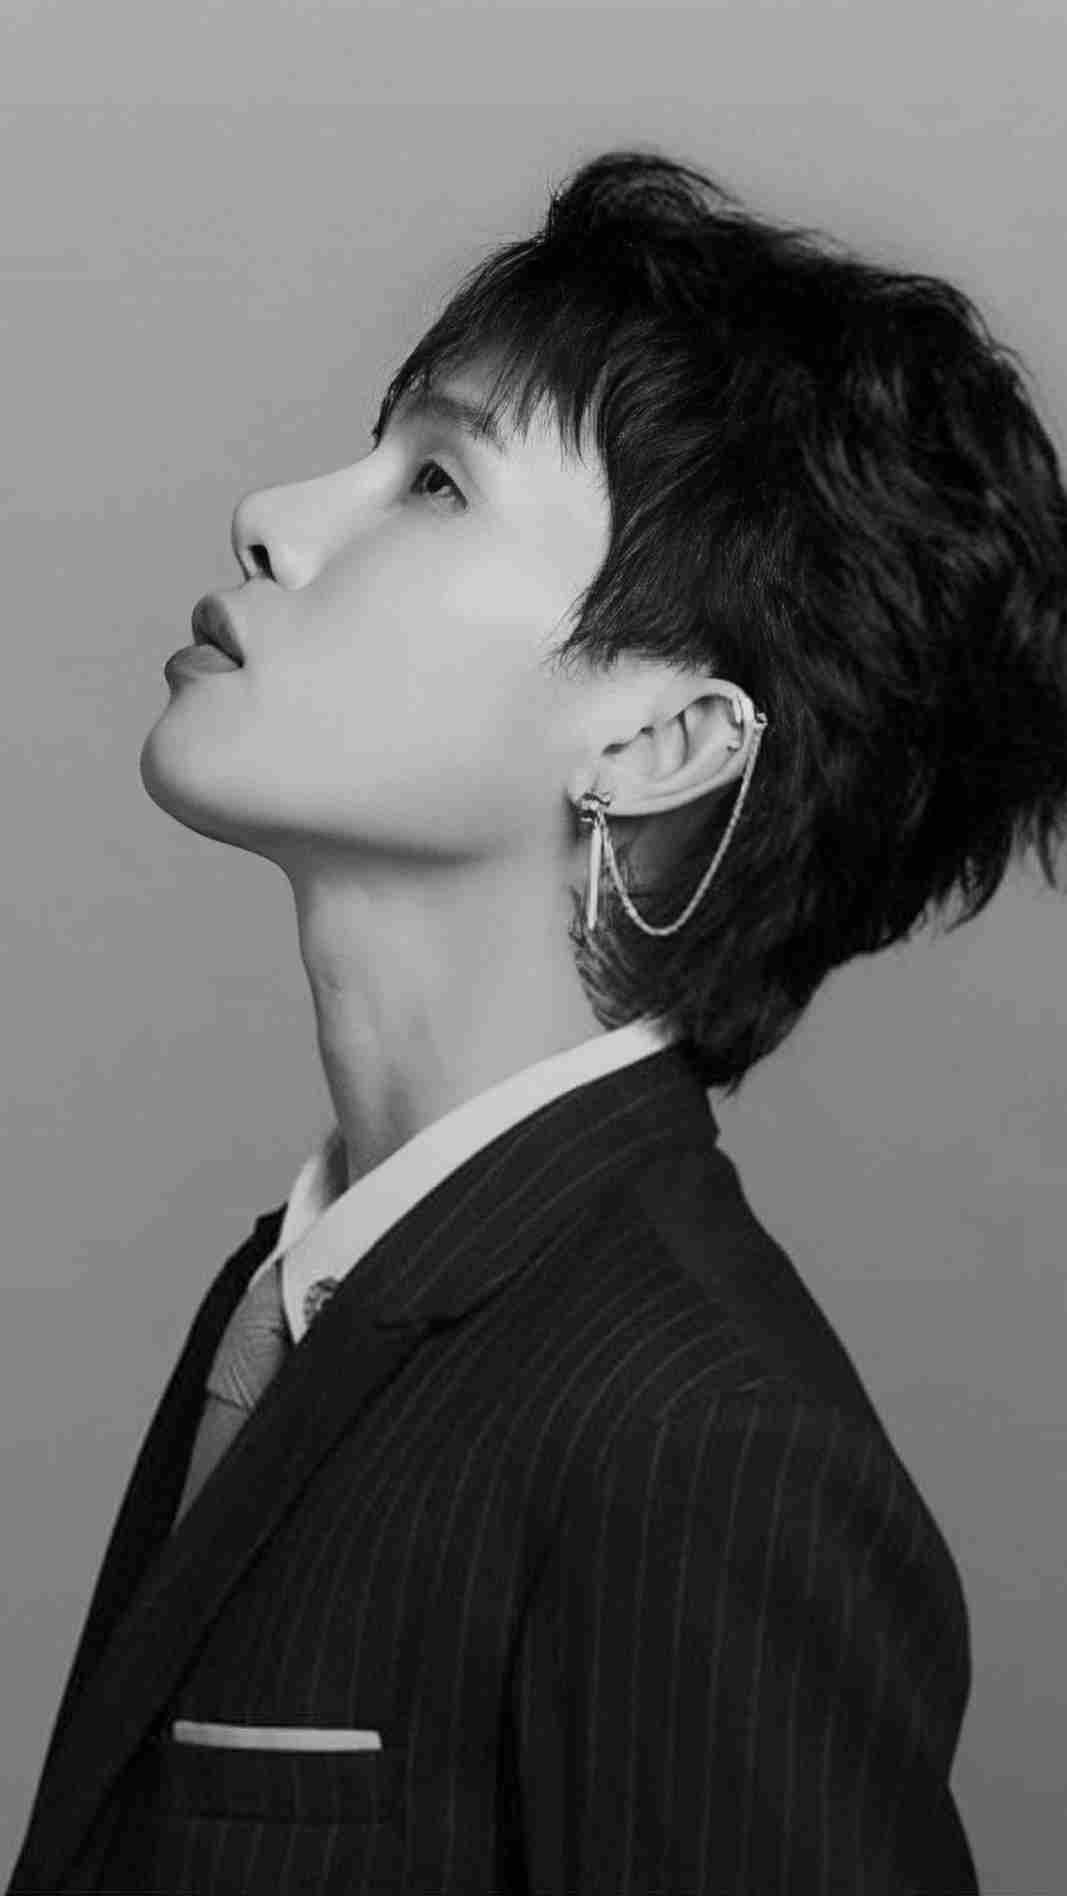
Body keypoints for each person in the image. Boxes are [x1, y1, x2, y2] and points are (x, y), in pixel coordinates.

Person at [11, 146, 1067, 1896]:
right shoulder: (291, 1298)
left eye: (437, 482)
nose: (272, 514)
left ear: (662, 743)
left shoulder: (697, 1447)